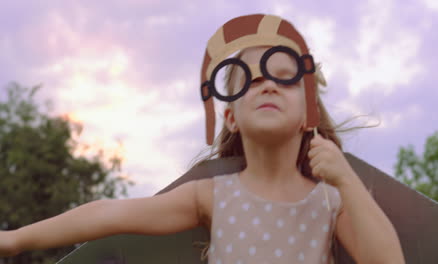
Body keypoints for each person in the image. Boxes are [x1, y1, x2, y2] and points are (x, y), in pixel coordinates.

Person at [0, 14, 405, 263]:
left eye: (285, 77)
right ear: (230, 115)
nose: (266, 84)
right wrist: (15, 240)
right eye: (249, 79)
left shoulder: (330, 200)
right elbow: (108, 213)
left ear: (308, 113)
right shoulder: (212, 196)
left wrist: (347, 179)